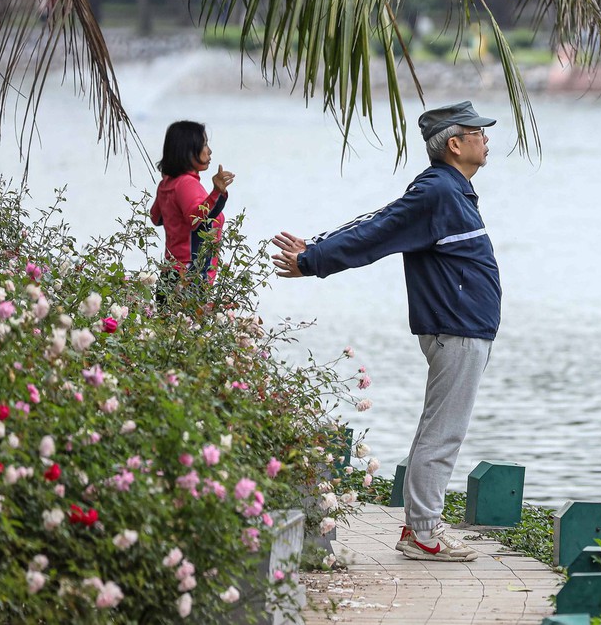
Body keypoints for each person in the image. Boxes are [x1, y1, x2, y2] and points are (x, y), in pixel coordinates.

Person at [270, 101, 501, 563]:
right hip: (455, 328)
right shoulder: (439, 191)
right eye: (478, 132)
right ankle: (423, 534)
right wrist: (314, 260)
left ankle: (422, 527)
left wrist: (317, 248)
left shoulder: (449, 191)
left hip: (462, 328)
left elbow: (376, 222)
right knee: (444, 432)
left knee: (438, 429)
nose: (486, 138)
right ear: (455, 144)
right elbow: (378, 230)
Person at [150, 120, 235, 300]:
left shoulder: (167, 184)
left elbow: (156, 217)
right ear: (188, 150)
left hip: (170, 275)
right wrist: (217, 192)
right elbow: (198, 220)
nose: (209, 151)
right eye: (204, 144)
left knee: (169, 326)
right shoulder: (187, 184)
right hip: (189, 277)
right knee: (190, 327)